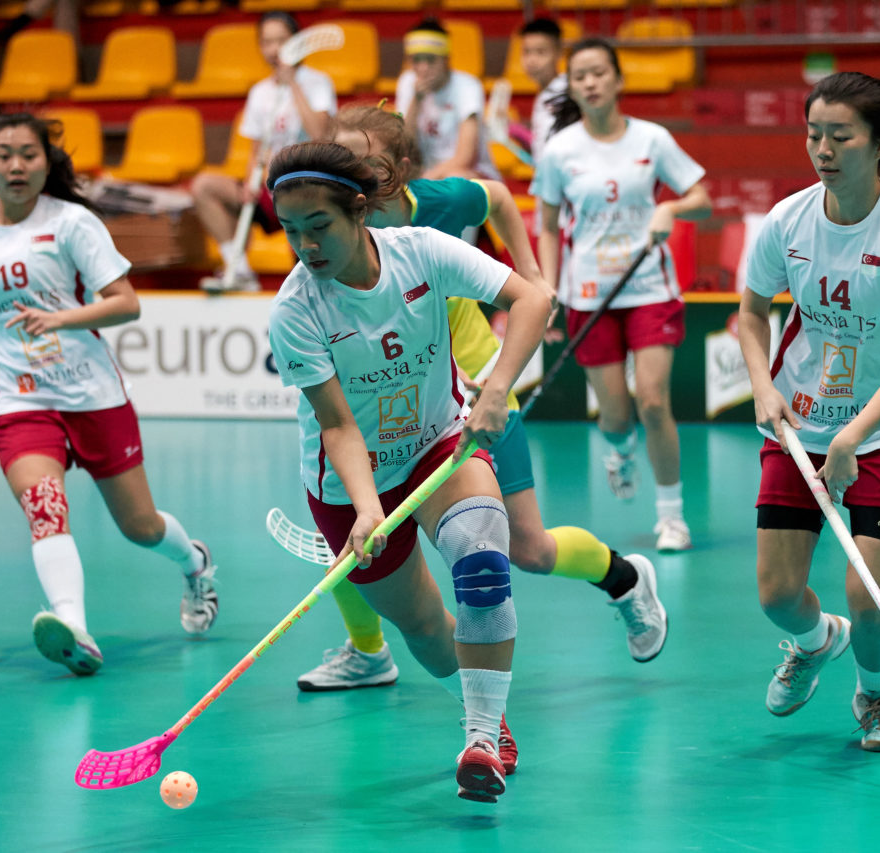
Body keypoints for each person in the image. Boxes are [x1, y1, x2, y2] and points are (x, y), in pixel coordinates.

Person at [295, 104, 668, 699]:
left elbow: (495, 197)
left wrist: (532, 273)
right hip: (383, 406)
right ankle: (368, 651)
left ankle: (623, 577)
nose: (355, 173)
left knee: (528, 548)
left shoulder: (435, 209)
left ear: (401, 167)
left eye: (370, 162)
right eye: (345, 160)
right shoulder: (326, 232)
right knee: (345, 535)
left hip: (475, 391)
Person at [266, 140, 552, 803]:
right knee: (424, 628)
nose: (305, 246)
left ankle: (481, 736)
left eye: (319, 226)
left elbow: (530, 300)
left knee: (482, 560)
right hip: (349, 484)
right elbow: (336, 425)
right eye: (290, 231)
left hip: (437, 444)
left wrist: (494, 389)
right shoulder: (296, 310)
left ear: (359, 210)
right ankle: (487, 709)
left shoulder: (420, 251)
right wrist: (366, 506)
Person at [0, 113, 219, 677]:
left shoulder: (73, 223)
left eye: (28, 153)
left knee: (140, 526)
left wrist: (60, 319)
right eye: (4, 154)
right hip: (20, 402)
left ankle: (195, 563)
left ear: (45, 162)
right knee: (45, 508)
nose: (17, 165)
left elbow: (126, 302)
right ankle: (73, 625)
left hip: (92, 395)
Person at [737, 71, 880, 752]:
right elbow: (751, 312)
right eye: (812, 133)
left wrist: (854, 437)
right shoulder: (789, 221)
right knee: (775, 593)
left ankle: (875, 694)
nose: (821, 149)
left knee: (867, 596)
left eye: (840, 136)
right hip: (799, 424)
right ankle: (814, 640)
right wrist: (762, 385)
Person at [532, 38, 712, 552]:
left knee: (653, 401)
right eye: (580, 76)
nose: (589, 83)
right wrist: (549, 285)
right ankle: (619, 449)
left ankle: (672, 517)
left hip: (650, 286)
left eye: (598, 73)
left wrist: (670, 211)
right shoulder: (561, 150)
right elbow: (547, 226)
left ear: (617, 80)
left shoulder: (652, 140)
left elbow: (701, 197)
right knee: (615, 415)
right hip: (589, 294)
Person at [192, 11, 336, 292]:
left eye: (281, 41)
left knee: (310, 276)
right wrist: (249, 183)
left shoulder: (318, 82)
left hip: (308, 189)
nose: (274, 49)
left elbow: (320, 133)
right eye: (267, 42)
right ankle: (240, 270)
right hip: (269, 190)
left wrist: (292, 82)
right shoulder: (259, 92)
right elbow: (256, 149)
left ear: (297, 42)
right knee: (204, 186)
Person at [394, 18, 498, 181]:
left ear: (446, 59)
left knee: (455, 177)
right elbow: (403, 146)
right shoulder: (407, 82)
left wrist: (426, 179)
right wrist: (416, 100)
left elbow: (465, 158)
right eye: (416, 60)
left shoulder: (468, 86)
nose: (423, 68)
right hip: (425, 173)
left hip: (471, 173)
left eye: (430, 59)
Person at [519, 17, 568, 166]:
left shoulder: (565, 93)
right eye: (527, 52)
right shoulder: (544, 93)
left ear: (559, 52)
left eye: (541, 52)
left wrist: (518, 132)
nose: (532, 60)